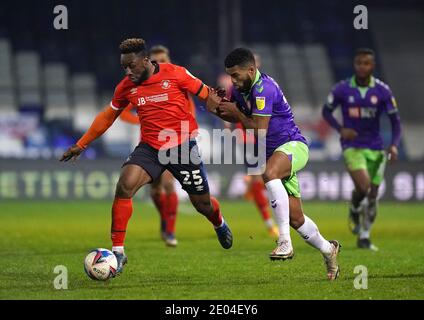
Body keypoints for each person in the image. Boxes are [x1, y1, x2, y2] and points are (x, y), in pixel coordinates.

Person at [60, 38, 233, 276]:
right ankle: (118, 252)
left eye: (131, 65)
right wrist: (82, 144)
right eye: (124, 67)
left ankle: (219, 222)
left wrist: (219, 104)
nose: (128, 71)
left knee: (202, 205)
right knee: (125, 185)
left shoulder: (176, 74)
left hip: (182, 146)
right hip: (150, 147)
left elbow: (207, 94)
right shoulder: (125, 87)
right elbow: (107, 116)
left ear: (145, 61)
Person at [207, 47, 341, 281]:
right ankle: (329, 250)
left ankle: (284, 242)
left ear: (251, 69)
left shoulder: (264, 88)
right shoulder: (242, 88)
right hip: (275, 154)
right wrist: (217, 109)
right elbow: (236, 114)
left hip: (293, 146)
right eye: (230, 75)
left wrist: (236, 114)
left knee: (268, 174)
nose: (233, 80)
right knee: (296, 218)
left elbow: (258, 128)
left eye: (236, 75)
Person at [322, 48, 402, 250]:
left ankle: (364, 236)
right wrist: (341, 129)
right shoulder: (342, 89)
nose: (362, 66)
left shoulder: (383, 91)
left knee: (373, 196)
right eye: (358, 63)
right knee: (364, 187)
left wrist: (394, 144)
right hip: (352, 146)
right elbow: (326, 111)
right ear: (354, 65)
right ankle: (355, 206)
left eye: (366, 63)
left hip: (376, 147)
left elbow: (396, 122)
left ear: (372, 66)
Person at [119, 45, 196, 247]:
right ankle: (165, 219)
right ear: (148, 61)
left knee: (169, 184)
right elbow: (124, 111)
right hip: (149, 143)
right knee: (155, 190)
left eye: (163, 59)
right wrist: (141, 120)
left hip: (175, 142)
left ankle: (170, 230)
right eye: (157, 59)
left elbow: (190, 112)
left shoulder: (175, 80)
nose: (160, 62)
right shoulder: (138, 84)